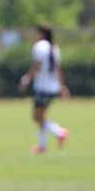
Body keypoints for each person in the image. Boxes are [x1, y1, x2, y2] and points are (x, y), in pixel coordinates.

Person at [18, 25, 70, 154]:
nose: (34, 35)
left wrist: (26, 79)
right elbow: (58, 69)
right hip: (53, 87)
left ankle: (59, 132)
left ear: (41, 34)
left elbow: (37, 65)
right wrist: (62, 86)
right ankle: (42, 146)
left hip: (43, 87)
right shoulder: (54, 47)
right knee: (42, 117)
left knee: (36, 117)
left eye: (36, 33)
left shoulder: (39, 46)